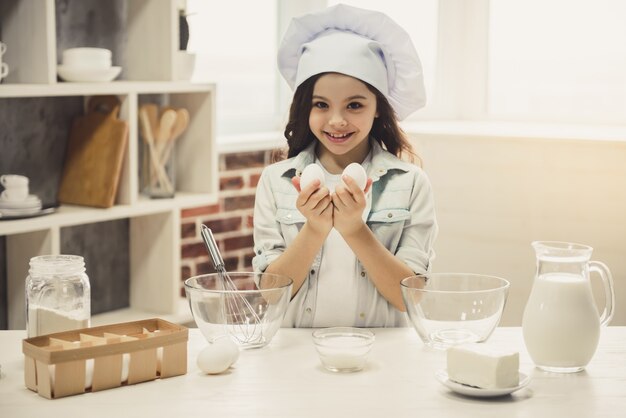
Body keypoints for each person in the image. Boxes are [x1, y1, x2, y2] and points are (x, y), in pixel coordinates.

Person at [252, 4, 438, 327]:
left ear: (378, 107)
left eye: (354, 105)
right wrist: (313, 229)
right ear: (304, 108)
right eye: (321, 105)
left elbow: (411, 297)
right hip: (297, 357)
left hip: (382, 359)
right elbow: (271, 294)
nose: (337, 121)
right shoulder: (275, 182)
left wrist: (354, 229)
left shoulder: (411, 184)